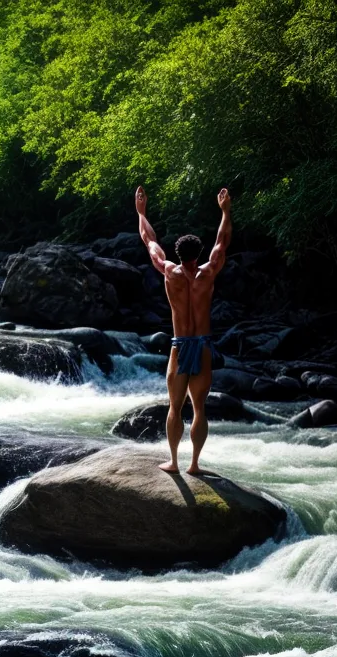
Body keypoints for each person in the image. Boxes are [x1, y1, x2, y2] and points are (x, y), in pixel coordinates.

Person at [135, 185, 232, 475]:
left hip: (180, 345)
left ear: (177, 254)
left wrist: (141, 212)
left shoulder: (168, 272)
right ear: (198, 253)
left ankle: (175, 462)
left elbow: (148, 240)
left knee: (175, 407)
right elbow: (222, 242)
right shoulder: (209, 271)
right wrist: (225, 211)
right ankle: (194, 465)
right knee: (199, 408)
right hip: (202, 346)